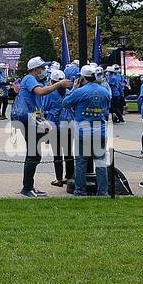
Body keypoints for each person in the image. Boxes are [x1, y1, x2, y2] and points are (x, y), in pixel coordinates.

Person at [12, 57, 62, 198]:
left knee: (35, 154)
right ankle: (27, 188)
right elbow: (40, 92)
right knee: (33, 154)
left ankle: (29, 186)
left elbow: (34, 105)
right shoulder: (29, 79)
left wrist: (43, 122)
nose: (44, 70)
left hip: (32, 119)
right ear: (35, 69)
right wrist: (58, 85)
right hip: (28, 120)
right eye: (42, 68)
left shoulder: (30, 80)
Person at [62, 64, 112, 196]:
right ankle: (102, 192)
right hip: (100, 131)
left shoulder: (80, 91)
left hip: (83, 132)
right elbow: (106, 113)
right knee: (100, 163)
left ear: (82, 77)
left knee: (80, 163)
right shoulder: (105, 91)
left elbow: (66, 103)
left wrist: (74, 88)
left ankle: (80, 191)